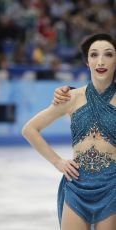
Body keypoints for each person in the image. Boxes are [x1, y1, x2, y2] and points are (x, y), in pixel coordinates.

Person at [21, 33, 116, 230]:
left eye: (108, 54)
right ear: (87, 61)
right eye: (93, 55)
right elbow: (30, 129)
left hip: (112, 186)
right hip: (77, 183)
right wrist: (57, 161)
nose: (100, 61)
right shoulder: (71, 97)